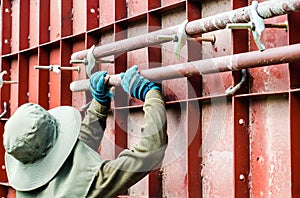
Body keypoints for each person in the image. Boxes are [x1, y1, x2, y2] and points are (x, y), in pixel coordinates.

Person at [3, 65, 167, 197]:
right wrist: (150, 93)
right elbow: (150, 151)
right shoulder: (89, 187)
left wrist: (100, 104)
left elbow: (74, 151)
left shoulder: (28, 190)